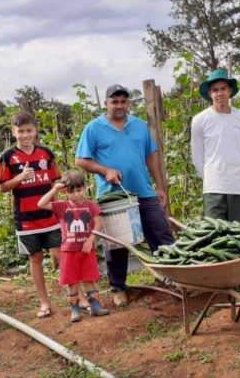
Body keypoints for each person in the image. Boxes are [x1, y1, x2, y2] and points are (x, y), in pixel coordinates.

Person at [75, 84, 175, 307]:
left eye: (123, 101)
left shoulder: (139, 126)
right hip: (113, 197)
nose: (119, 106)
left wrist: (160, 186)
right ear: (106, 103)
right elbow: (81, 160)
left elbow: (152, 156)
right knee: (117, 243)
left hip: (144, 191)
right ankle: (118, 288)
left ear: (128, 103)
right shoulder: (94, 128)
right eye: (114, 101)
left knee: (161, 235)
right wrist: (105, 170)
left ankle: (174, 279)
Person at [0, 112, 89, 319]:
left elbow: (56, 183)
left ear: (35, 131)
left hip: (50, 217)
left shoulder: (46, 154)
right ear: (14, 132)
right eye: (21, 131)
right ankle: (44, 303)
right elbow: (3, 188)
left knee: (62, 255)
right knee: (35, 257)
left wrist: (68, 201)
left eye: (29, 131)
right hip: (27, 219)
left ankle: (81, 298)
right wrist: (20, 177)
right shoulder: (7, 157)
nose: (25, 135)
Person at [38, 170, 110, 322]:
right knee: (72, 281)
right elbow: (41, 204)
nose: (76, 195)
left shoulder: (90, 205)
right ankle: (75, 309)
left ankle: (96, 306)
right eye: (71, 192)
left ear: (84, 188)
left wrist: (90, 239)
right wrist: (55, 189)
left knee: (89, 279)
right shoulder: (62, 207)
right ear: (65, 193)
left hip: (86, 250)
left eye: (79, 190)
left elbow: (98, 224)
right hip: (69, 251)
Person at [191, 69, 240, 225]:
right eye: (215, 90)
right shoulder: (200, 120)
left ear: (230, 91)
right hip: (213, 187)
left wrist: (239, 169)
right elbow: (197, 156)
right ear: (210, 93)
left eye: (223, 89)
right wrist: (211, 176)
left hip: (238, 186)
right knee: (214, 236)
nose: (220, 93)